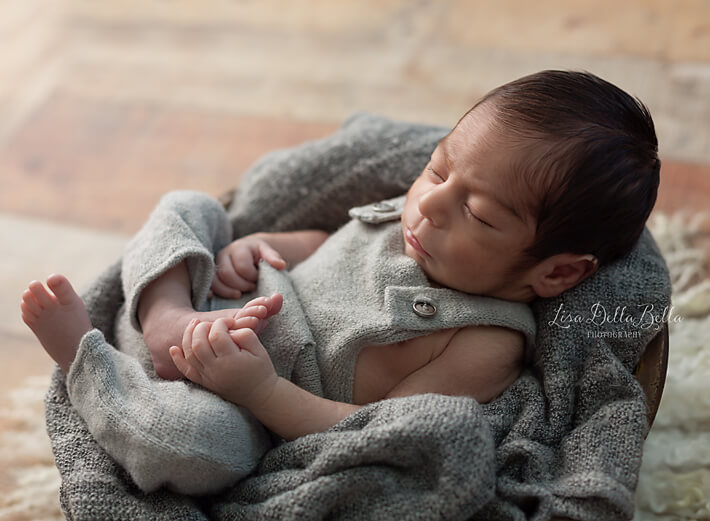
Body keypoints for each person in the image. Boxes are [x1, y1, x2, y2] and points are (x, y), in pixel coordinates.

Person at [21, 70, 660, 488]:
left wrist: (260, 391)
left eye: (480, 214)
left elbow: (372, 430)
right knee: (190, 207)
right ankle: (162, 317)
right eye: (438, 171)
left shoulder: (483, 343)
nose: (432, 206)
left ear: (556, 271)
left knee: (196, 449)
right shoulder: (406, 224)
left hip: (238, 400)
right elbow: (319, 246)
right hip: (208, 305)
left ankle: (85, 358)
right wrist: (253, 248)